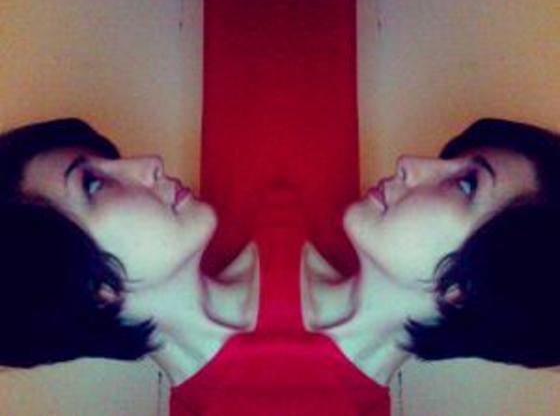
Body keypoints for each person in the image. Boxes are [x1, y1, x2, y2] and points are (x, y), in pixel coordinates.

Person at [0, 118, 258, 386]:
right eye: (94, 184)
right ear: (90, 288)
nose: (152, 162)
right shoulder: (226, 402)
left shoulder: (271, 214)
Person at [302, 118, 560, 386]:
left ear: (472, 287)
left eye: (466, 185)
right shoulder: (289, 216)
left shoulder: (334, 402)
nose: (407, 162)